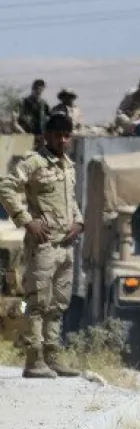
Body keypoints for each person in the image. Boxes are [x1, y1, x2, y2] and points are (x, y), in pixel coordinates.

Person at [0, 112, 84, 378]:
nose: (63, 140)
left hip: (65, 245)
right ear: (47, 136)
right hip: (43, 245)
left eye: (67, 136)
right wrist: (27, 221)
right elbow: (6, 187)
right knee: (37, 303)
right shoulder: (34, 162)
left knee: (58, 304)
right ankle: (34, 361)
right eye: (58, 135)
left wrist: (79, 222)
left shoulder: (68, 166)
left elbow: (71, 200)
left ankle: (52, 358)